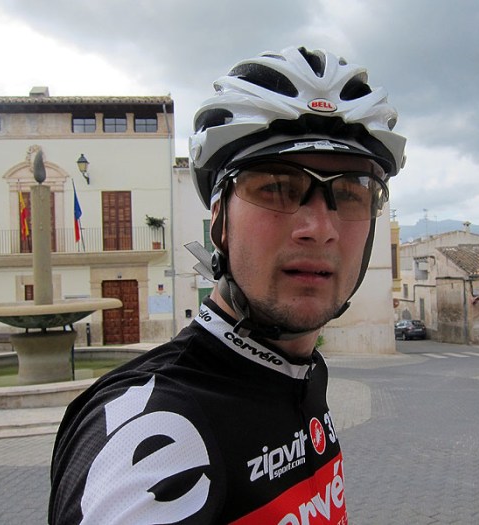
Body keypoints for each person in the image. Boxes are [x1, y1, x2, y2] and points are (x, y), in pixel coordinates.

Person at [49, 45, 406, 524]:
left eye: (349, 192)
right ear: (219, 220)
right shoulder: (159, 431)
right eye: (277, 187)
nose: (320, 228)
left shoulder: (300, 375)